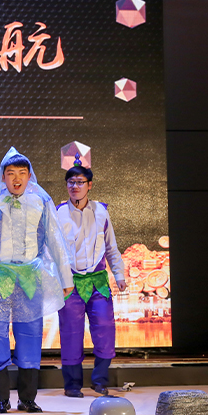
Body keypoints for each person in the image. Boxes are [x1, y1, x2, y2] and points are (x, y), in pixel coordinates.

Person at [0, 147, 74, 414]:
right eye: (11, 173)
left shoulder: (41, 200)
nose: (16, 179)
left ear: (29, 175)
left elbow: (56, 239)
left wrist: (66, 276)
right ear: (2, 176)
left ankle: (27, 399)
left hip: (29, 277)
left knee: (31, 335)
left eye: (22, 173)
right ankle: (1, 400)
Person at [56, 158, 126, 397]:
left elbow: (111, 247)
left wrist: (119, 274)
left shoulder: (101, 212)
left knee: (105, 329)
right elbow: (51, 250)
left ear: (90, 185)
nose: (75, 186)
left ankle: (100, 380)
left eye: (80, 182)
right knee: (71, 333)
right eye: (71, 182)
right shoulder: (58, 213)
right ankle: (72, 385)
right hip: (70, 283)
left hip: (97, 282)